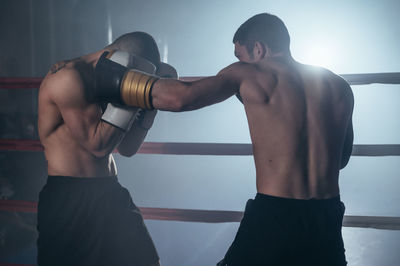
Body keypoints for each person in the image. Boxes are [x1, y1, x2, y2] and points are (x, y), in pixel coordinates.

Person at [96, 13, 354, 266]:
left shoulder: (249, 73)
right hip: (327, 216)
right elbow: (340, 159)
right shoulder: (338, 86)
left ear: (259, 49)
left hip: (276, 214)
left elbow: (181, 98)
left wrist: (119, 79)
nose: (239, 62)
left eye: (240, 55)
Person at [37, 31, 177, 266]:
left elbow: (128, 148)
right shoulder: (68, 78)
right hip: (69, 199)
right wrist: (138, 93)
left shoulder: (109, 81)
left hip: (109, 190)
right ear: (119, 59)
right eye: (136, 77)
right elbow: (98, 146)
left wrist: (150, 106)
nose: (136, 84)